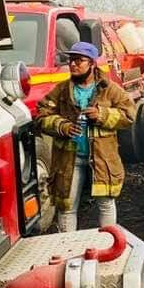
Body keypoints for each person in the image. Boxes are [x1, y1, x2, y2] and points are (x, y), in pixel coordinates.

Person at [36, 41, 136, 232]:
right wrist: (62, 126)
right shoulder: (61, 90)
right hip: (69, 159)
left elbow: (129, 115)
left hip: (102, 158)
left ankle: (109, 243)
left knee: (106, 204)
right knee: (66, 208)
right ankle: (68, 245)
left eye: (79, 60)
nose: (73, 64)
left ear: (92, 63)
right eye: (71, 60)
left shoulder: (110, 89)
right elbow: (41, 115)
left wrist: (102, 115)